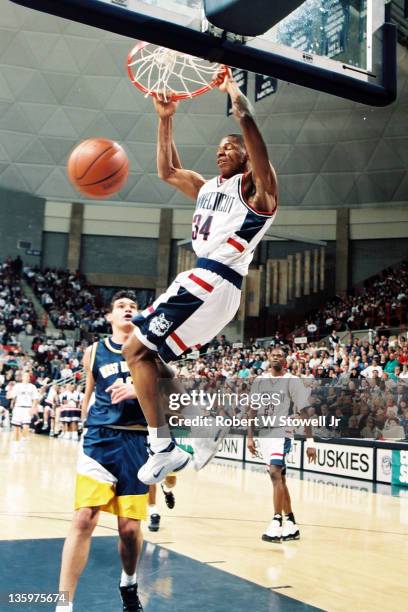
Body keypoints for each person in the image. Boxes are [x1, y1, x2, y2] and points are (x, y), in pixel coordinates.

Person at [123, 70, 278, 485]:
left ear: (247, 155)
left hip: (213, 279)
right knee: (150, 359)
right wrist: (165, 117)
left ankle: (163, 448)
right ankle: (203, 424)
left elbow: (251, 132)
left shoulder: (257, 190)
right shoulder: (209, 186)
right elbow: (168, 170)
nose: (222, 152)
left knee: (133, 348)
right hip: (212, 288)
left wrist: (235, 98)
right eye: (219, 148)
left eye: (231, 148)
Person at [56, 292, 148, 612]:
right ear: (110, 317)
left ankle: (129, 580)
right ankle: (63, 604)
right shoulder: (94, 351)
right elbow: (89, 392)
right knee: (83, 519)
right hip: (99, 440)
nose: (128, 310)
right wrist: (83, 424)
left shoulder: (151, 349)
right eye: (121, 306)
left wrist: (140, 390)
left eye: (133, 307)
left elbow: (171, 390)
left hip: (137, 442)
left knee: (130, 529)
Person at [247, 348, 316, 543]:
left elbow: (304, 411)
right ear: (268, 359)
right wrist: (250, 437)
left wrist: (310, 442)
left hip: (282, 431)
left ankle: (276, 522)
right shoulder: (259, 381)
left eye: (280, 355)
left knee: (275, 473)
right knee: (279, 479)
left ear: (285, 360)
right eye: (273, 355)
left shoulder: (292, 381)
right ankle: (291, 524)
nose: (276, 357)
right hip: (265, 433)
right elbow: (251, 411)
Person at [8, 370, 39, 451]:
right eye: (25, 376)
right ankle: (16, 445)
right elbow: (9, 396)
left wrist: (33, 408)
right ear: (22, 377)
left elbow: (35, 399)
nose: (26, 377)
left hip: (27, 408)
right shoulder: (17, 386)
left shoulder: (32, 387)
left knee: (26, 427)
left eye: (28, 376)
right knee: (16, 428)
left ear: (29, 378)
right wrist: (10, 389)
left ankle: (23, 442)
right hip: (18, 408)